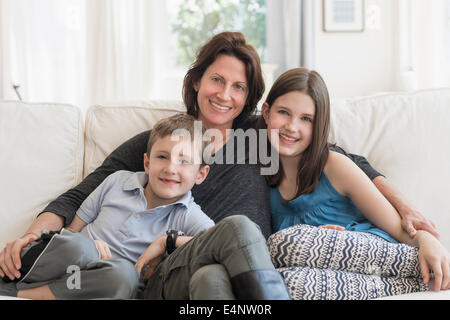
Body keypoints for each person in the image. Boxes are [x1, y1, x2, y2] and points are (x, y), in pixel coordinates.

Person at [0, 31, 439, 297]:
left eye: (238, 87)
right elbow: (83, 192)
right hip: (164, 266)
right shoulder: (166, 142)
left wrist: (405, 209)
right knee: (239, 229)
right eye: (216, 80)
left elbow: (343, 158)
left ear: (251, 100)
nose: (224, 95)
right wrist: (33, 236)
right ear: (196, 81)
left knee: (212, 282)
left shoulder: (260, 135)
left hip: (221, 266)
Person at [0, 114, 291, 299]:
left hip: (110, 283)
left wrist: (168, 241)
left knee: (124, 274)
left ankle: (24, 296)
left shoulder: (191, 217)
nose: (171, 169)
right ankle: (15, 287)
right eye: (163, 157)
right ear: (147, 162)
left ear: (200, 174)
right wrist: (84, 243)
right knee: (79, 247)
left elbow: (213, 245)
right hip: (70, 267)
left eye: (184, 161)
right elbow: (73, 230)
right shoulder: (117, 182)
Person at [258, 67, 450, 298]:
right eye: (284, 112)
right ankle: (422, 283)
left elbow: (395, 225)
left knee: (285, 244)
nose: (291, 126)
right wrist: (321, 242)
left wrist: (424, 238)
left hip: (372, 249)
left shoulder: (335, 165)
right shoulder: (257, 175)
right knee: (286, 284)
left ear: (318, 125)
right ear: (267, 113)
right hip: (322, 269)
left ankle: (429, 273)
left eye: (306, 119)